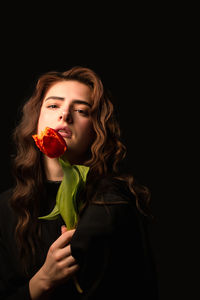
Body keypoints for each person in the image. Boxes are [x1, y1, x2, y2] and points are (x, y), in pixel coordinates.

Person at [0, 66, 158, 299]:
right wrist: (42, 281)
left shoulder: (113, 202)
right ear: (36, 120)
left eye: (82, 110)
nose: (65, 115)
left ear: (95, 131)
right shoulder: (6, 207)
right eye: (53, 105)